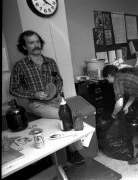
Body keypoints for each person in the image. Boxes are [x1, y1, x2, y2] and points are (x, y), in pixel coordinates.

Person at [9, 30, 85, 165]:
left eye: (37, 41)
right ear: (25, 46)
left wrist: (55, 91)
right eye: (31, 43)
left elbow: (59, 81)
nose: (36, 45)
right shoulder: (20, 66)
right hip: (36, 104)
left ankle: (74, 150)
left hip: (55, 100)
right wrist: (34, 94)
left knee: (72, 114)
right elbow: (13, 89)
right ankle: (73, 153)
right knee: (63, 116)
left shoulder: (50, 62)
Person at [102, 65, 138, 165]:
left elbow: (119, 103)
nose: (108, 81)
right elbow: (134, 92)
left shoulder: (117, 80)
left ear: (109, 75)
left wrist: (113, 114)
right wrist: (127, 106)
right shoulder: (122, 75)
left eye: (107, 79)